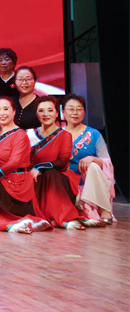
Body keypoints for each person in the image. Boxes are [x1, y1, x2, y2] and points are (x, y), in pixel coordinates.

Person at [0, 97, 51, 233]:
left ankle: (5, 222)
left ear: (13, 112)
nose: (2, 113)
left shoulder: (20, 135)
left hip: (17, 182)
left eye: (6, 109)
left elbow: (13, 164)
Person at [27, 97, 86, 229]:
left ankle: (62, 217)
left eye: (50, 110)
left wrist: (39, 167)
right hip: (34, 178)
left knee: (51, 173)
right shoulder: (29, 134)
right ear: (36, 114)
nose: (45, 114)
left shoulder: (65, 135)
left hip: (59, 179)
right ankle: (50, 217)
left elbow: (62, 162)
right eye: (41, 111)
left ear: (56, 113)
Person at [63, 95, 115, 224]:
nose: (75, 112)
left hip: (89, 183)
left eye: (79, 109)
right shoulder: (58, 134)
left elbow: (107, 163)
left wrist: (93, 159)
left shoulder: (94, 134)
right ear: (63, 112)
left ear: (84, 112)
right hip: (67, 184)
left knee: (93, 166)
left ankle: (104, 209)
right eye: (71, 109)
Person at [10, 66, 40, 131]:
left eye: (28, 79)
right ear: (15, 81)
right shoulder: (9, 102)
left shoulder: (41, 104)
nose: (24, 82)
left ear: (35, 81)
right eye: (20, 79)